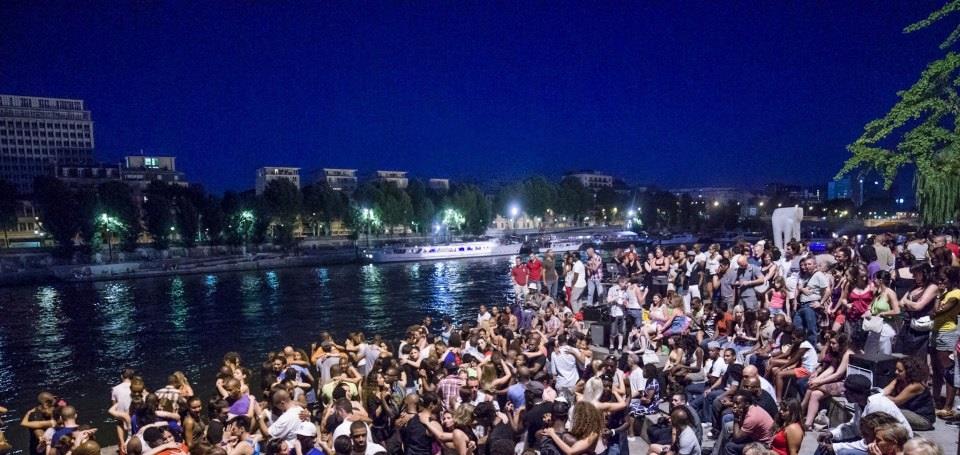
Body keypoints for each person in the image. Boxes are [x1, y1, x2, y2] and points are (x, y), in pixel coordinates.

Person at [823, 375, 912, 455]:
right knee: (827, 440)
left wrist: (836, 447)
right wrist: (832, 434)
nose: (844, 394)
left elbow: (871, 441)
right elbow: (854, 427)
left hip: (890, 446)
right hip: (871, 441)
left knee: (843, 452)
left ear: (858, 394)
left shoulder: (877, 406)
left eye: (847, 392)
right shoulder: (859, 404)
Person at [933, 266, 960, 419]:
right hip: (939, 329)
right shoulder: (947, 293)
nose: (940, 283)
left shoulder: (955, 294)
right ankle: (943, 403)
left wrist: (938, 296)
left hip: (948, 331)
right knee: (942, 369)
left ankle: (948, 406)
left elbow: (938, 311)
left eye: (943, 280)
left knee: (949, 369)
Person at [882, 357, 935, 431]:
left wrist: (879, 396)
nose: (896, 372)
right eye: (896, 369)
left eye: (900, 371)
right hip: (907, 412)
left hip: (923, 419)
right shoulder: (898, 380)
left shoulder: (915, 385)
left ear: (908, 372)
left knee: (889, 411)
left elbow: (896, 401)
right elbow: (884, 391)